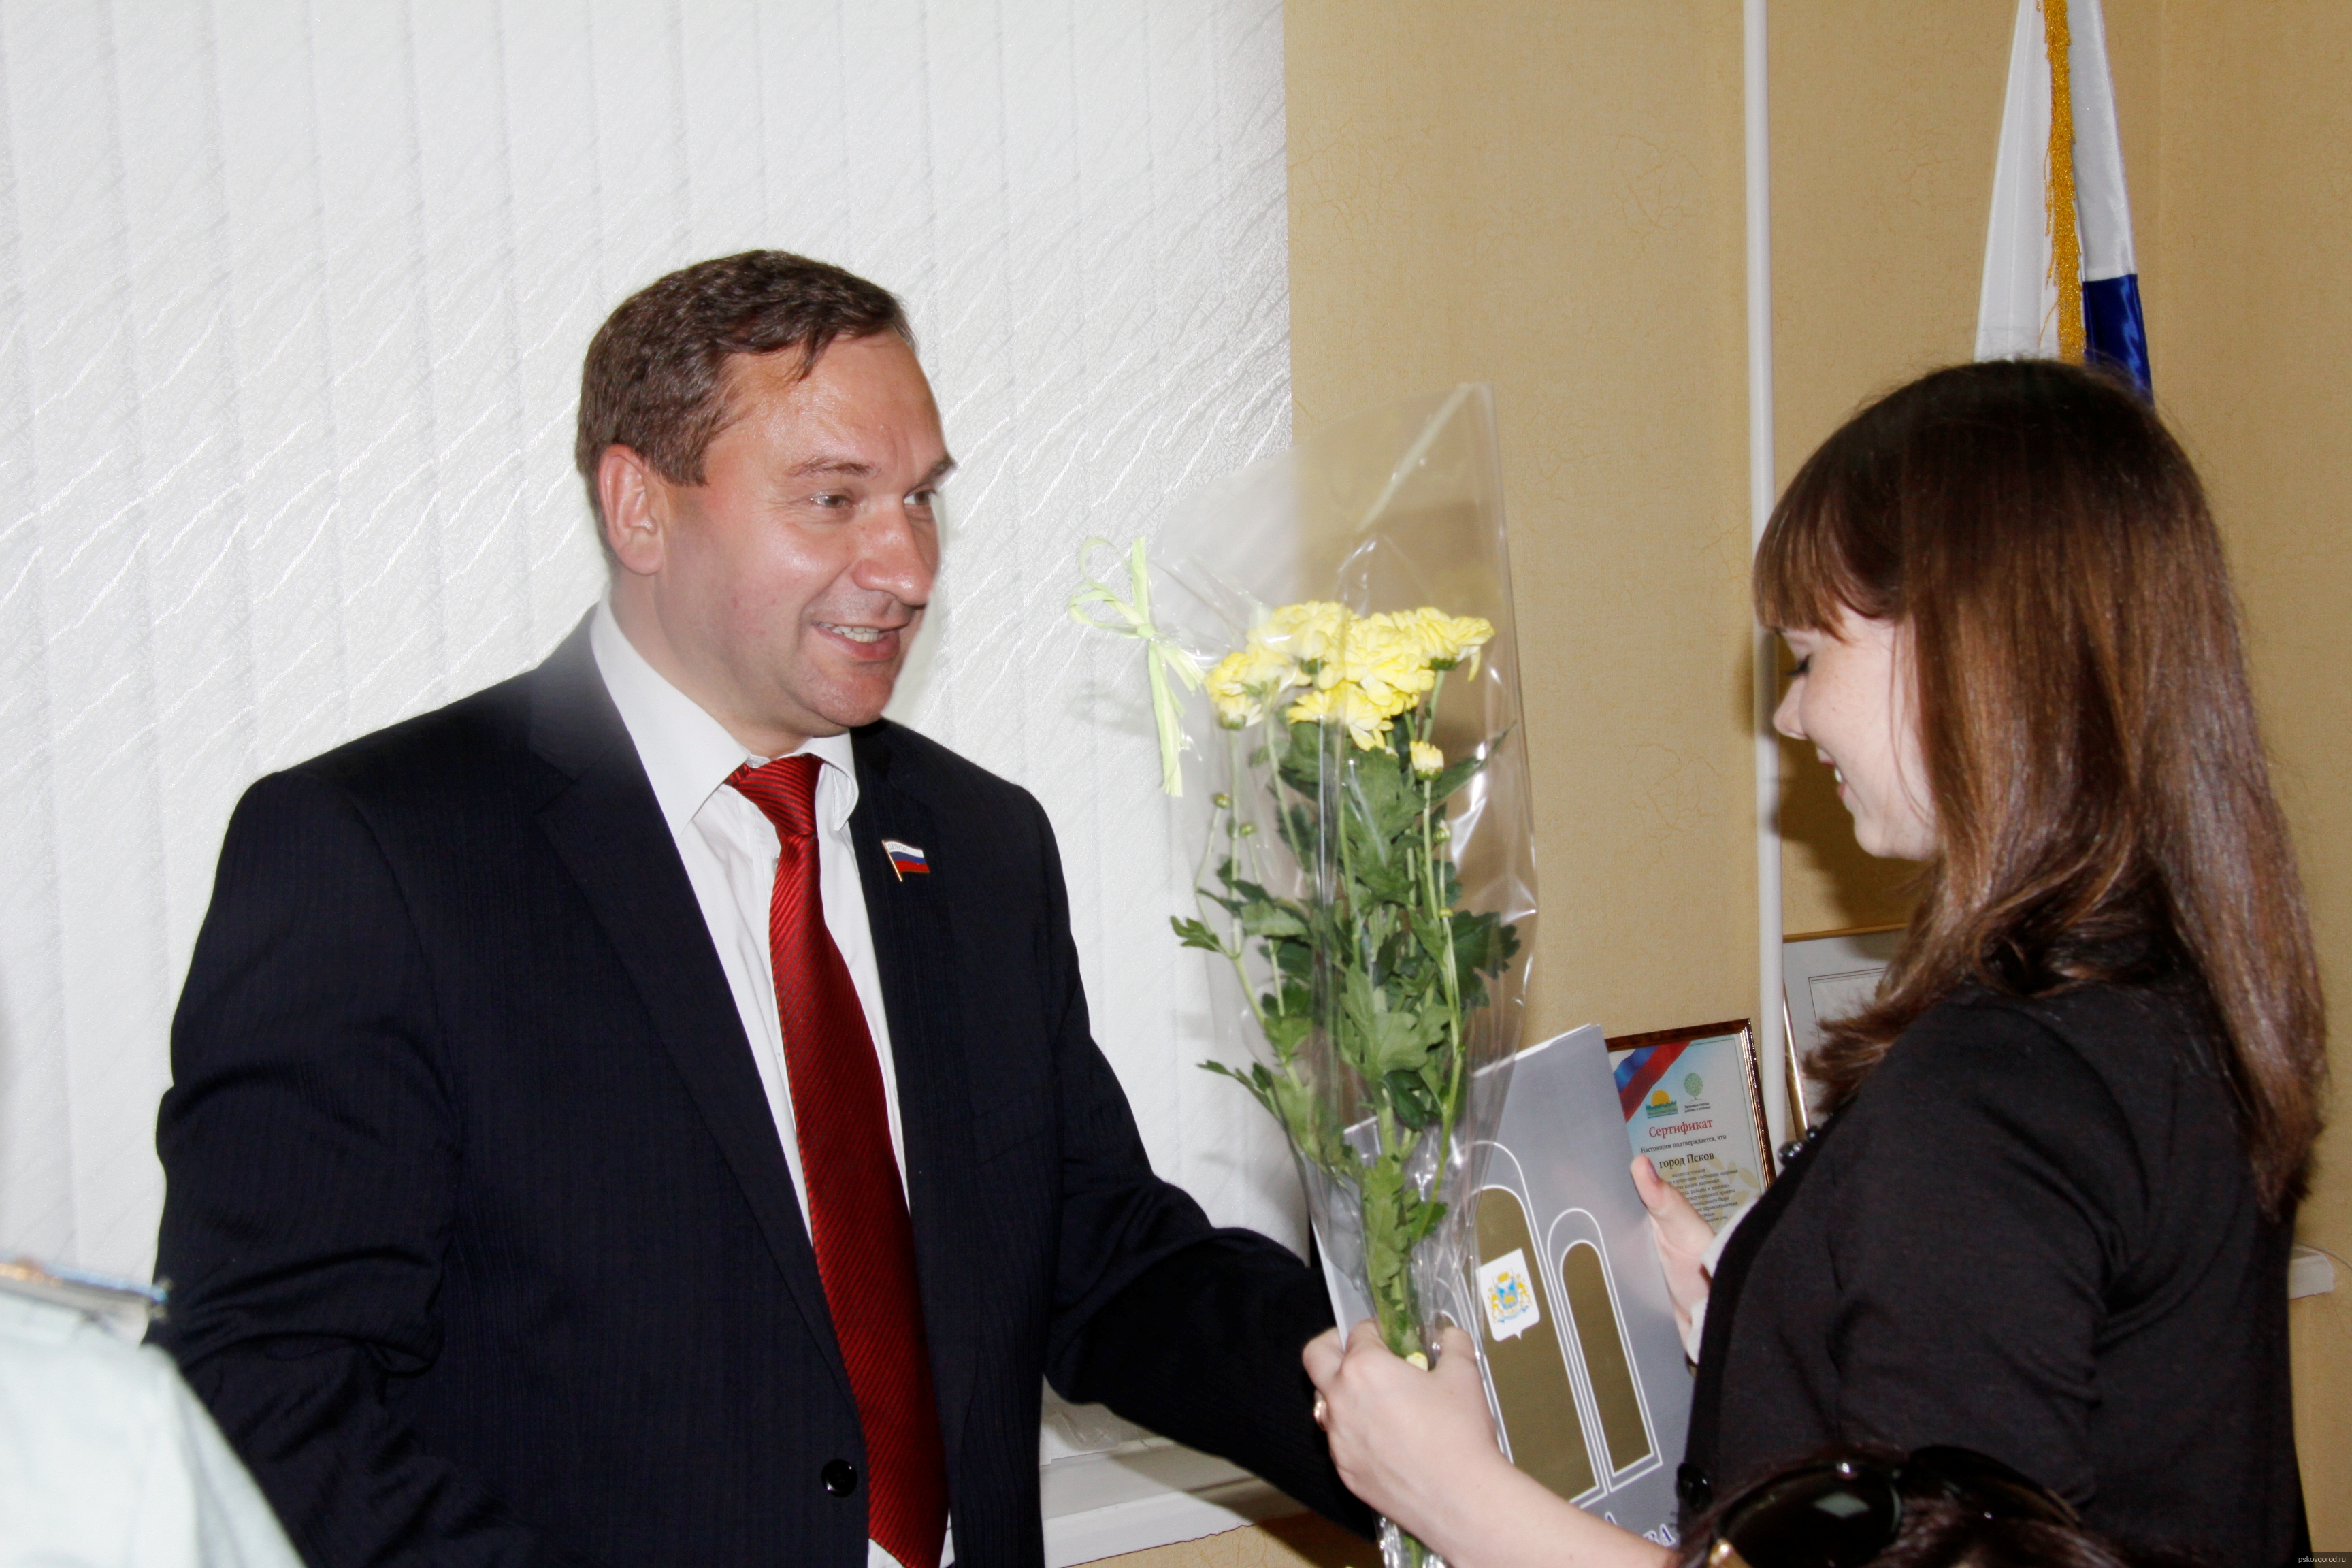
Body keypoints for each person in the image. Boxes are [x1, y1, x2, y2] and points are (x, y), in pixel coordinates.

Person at [150, 251, 1371, 1568]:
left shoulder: (977, 843)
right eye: (834, 499)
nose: (905, 566)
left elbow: (1107, 1260)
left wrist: (1388, 1412)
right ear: (641, 510)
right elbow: (268, 1391)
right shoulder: (378, 855)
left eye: (919, 500)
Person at [1303, 359, 2320, 1568]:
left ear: (1969, 651)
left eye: (1808, 656)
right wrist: (1774, 1308)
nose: (1792, 719)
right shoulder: (2165, 1004)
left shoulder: (1992, 1096)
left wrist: (1455, 1493)